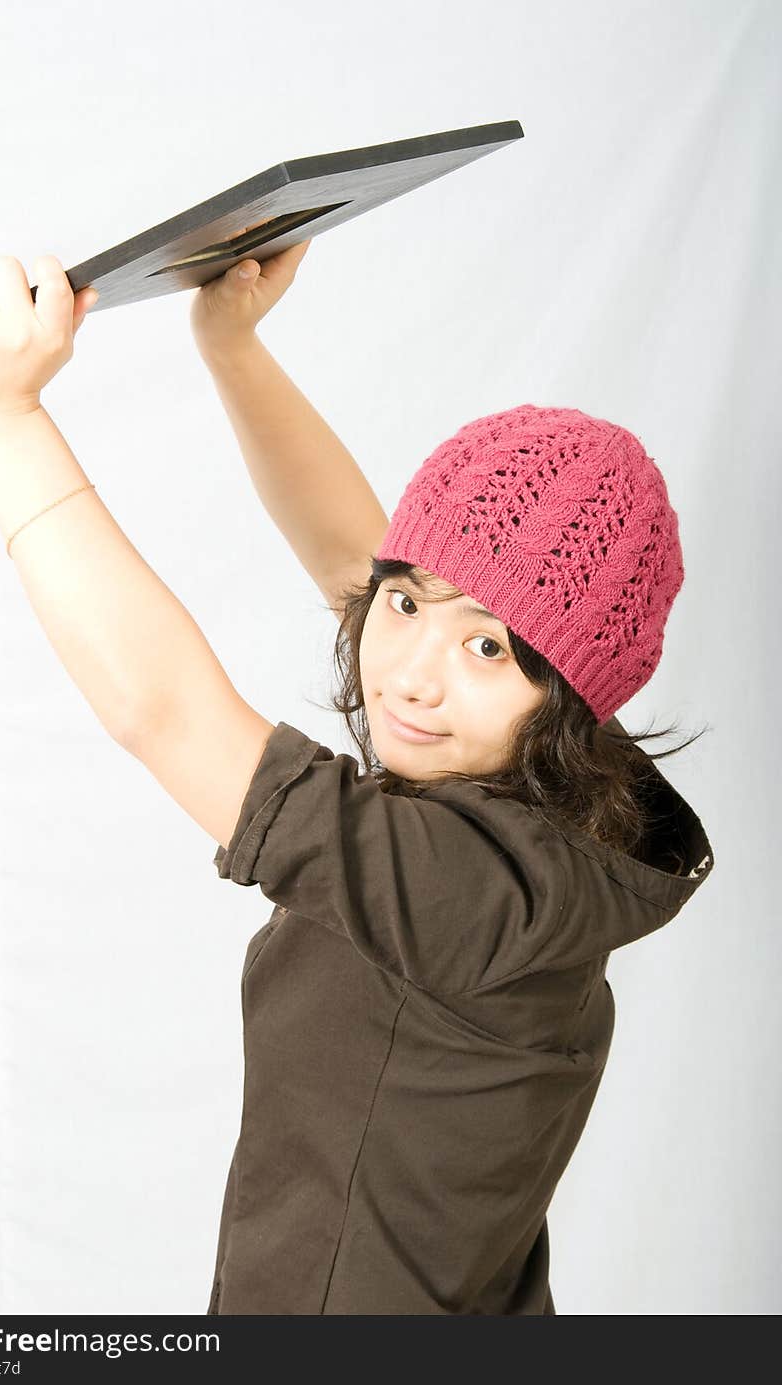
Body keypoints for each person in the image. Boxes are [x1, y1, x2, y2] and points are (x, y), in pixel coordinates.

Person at [185, 241, 715, 1315]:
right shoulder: (554, 823)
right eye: (404, 603)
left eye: (488, 647)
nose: (411, 675)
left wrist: (4, 418)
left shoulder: (458, 883)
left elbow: (163, 712)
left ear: (569, 693)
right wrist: (231, 346)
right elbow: (360, 555)